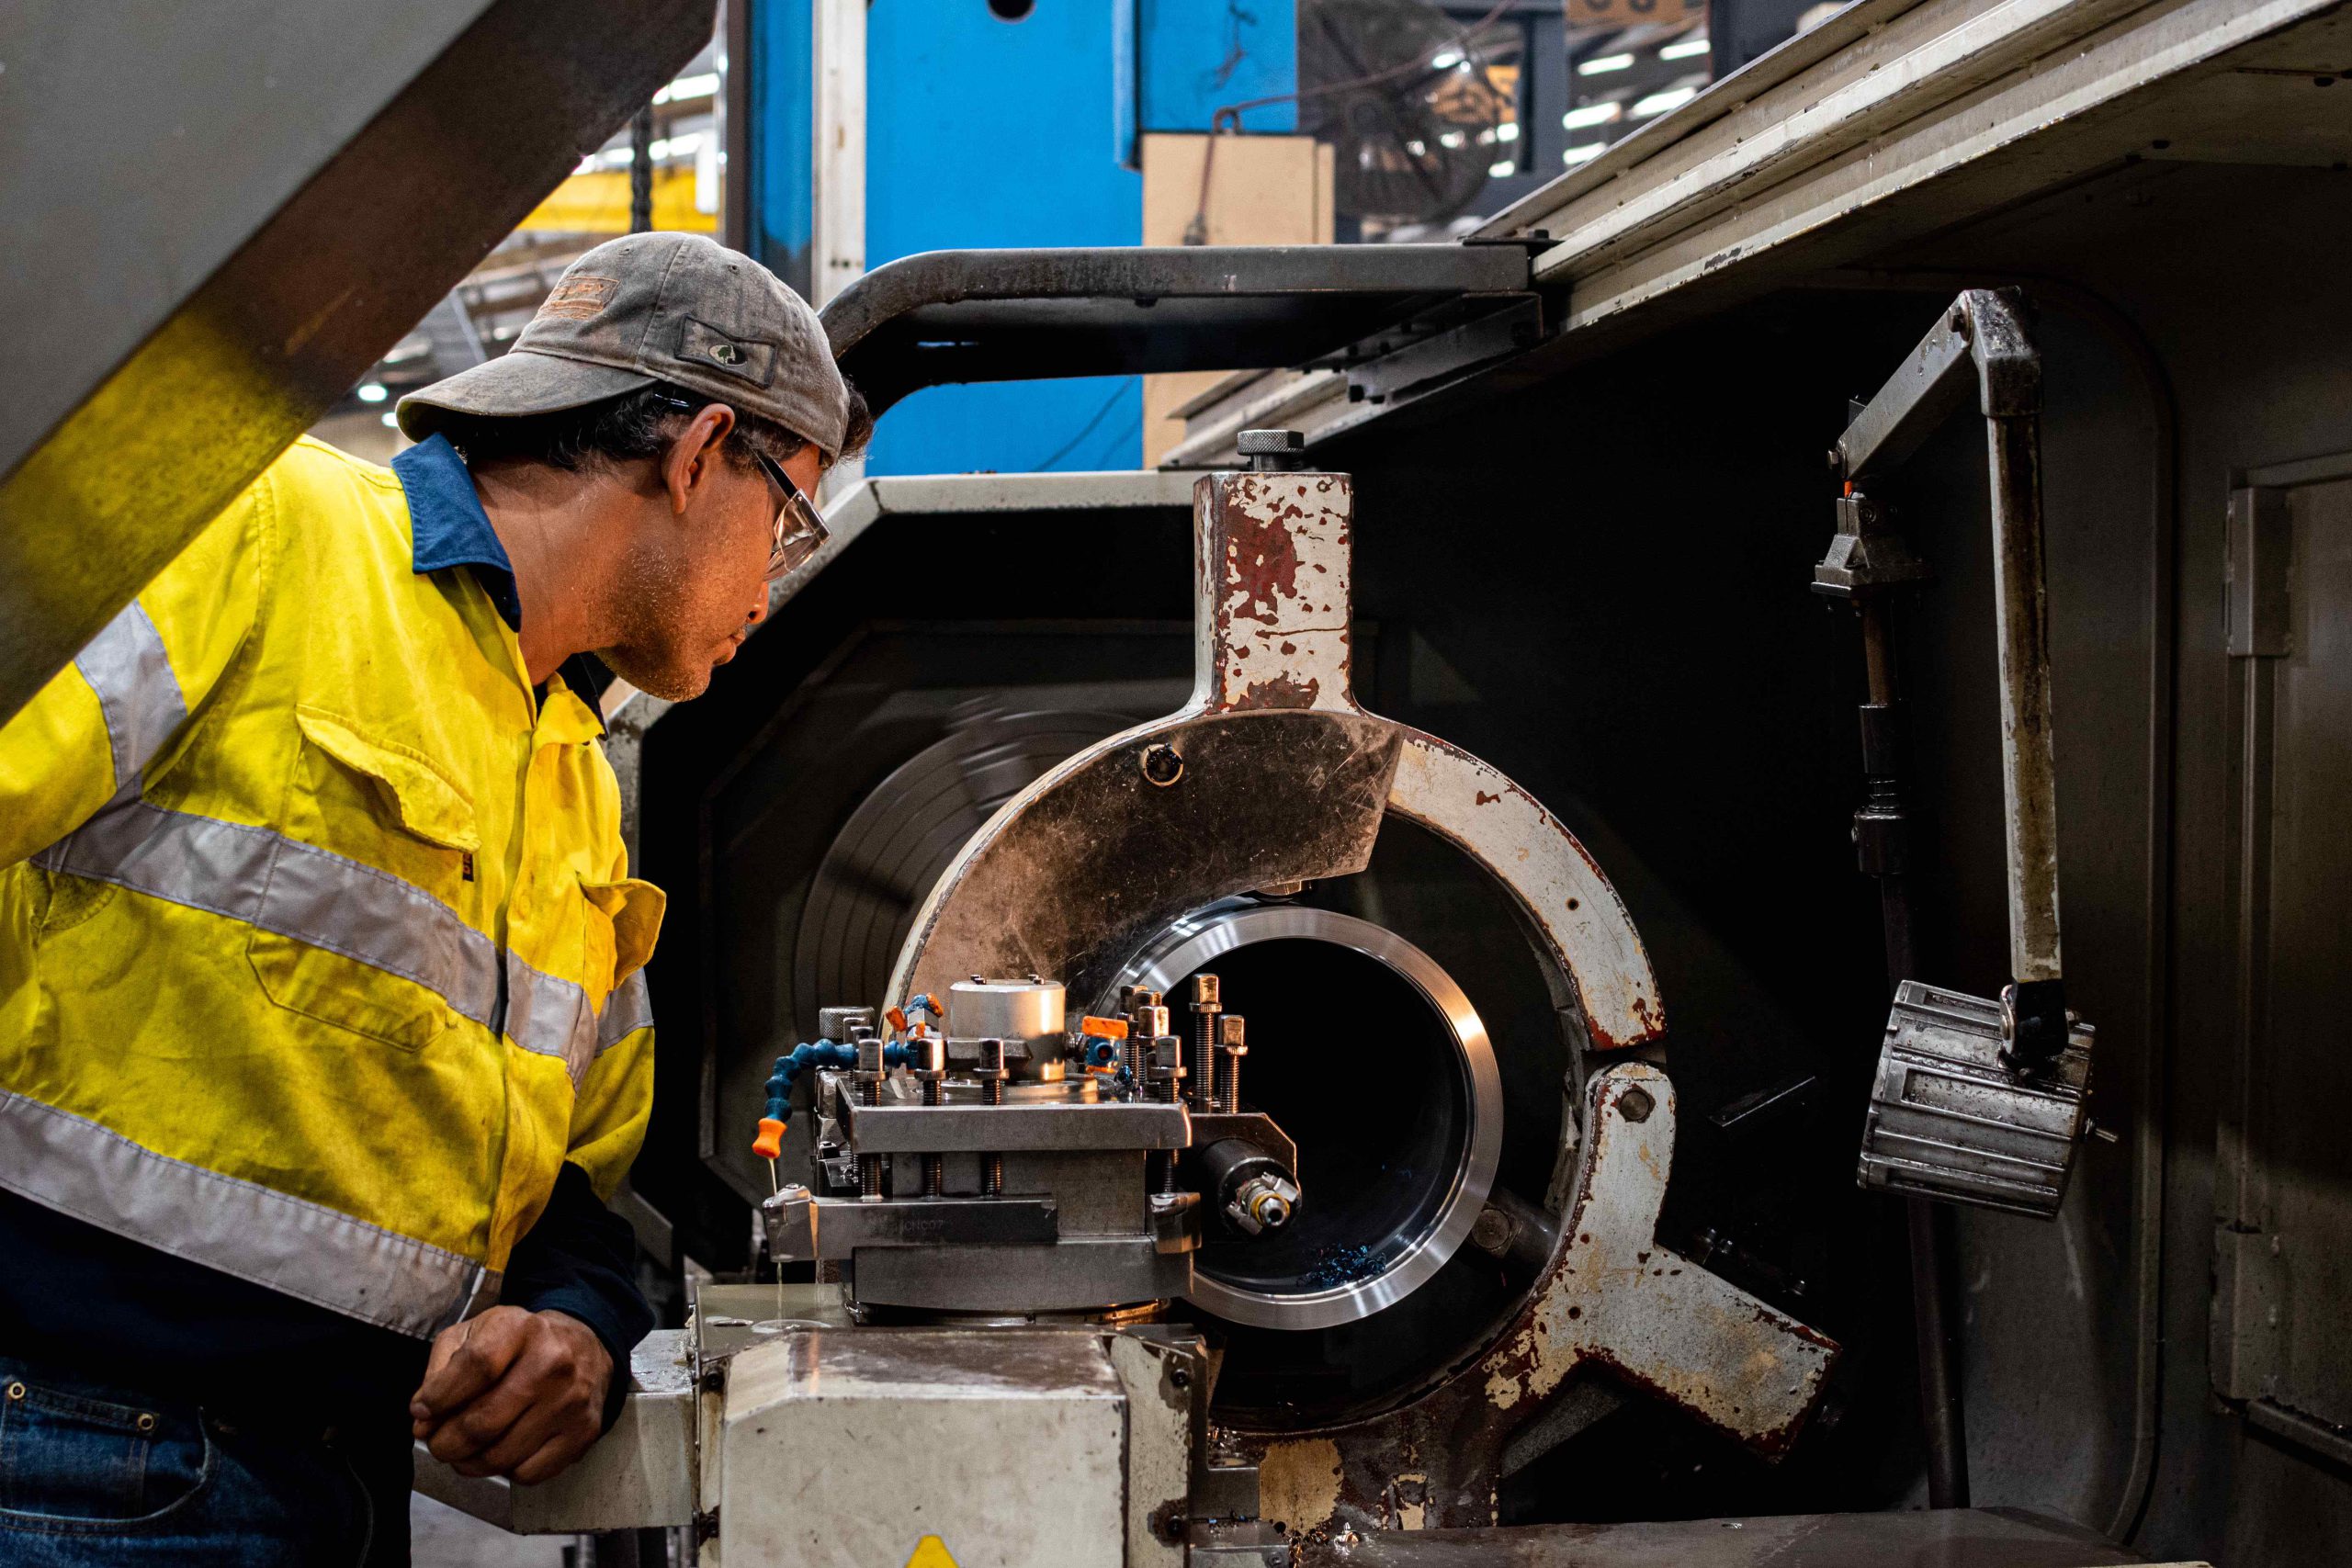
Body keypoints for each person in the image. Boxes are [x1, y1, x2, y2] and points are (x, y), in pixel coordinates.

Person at [0, 231, 870, 1564]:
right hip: (79, 1448)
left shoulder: (572, 775)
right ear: (699, 454)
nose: (773, 583)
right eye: (792, 517)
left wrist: (577, 1324)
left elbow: (579, 1183)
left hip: (334, 1475)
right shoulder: (265, 531)